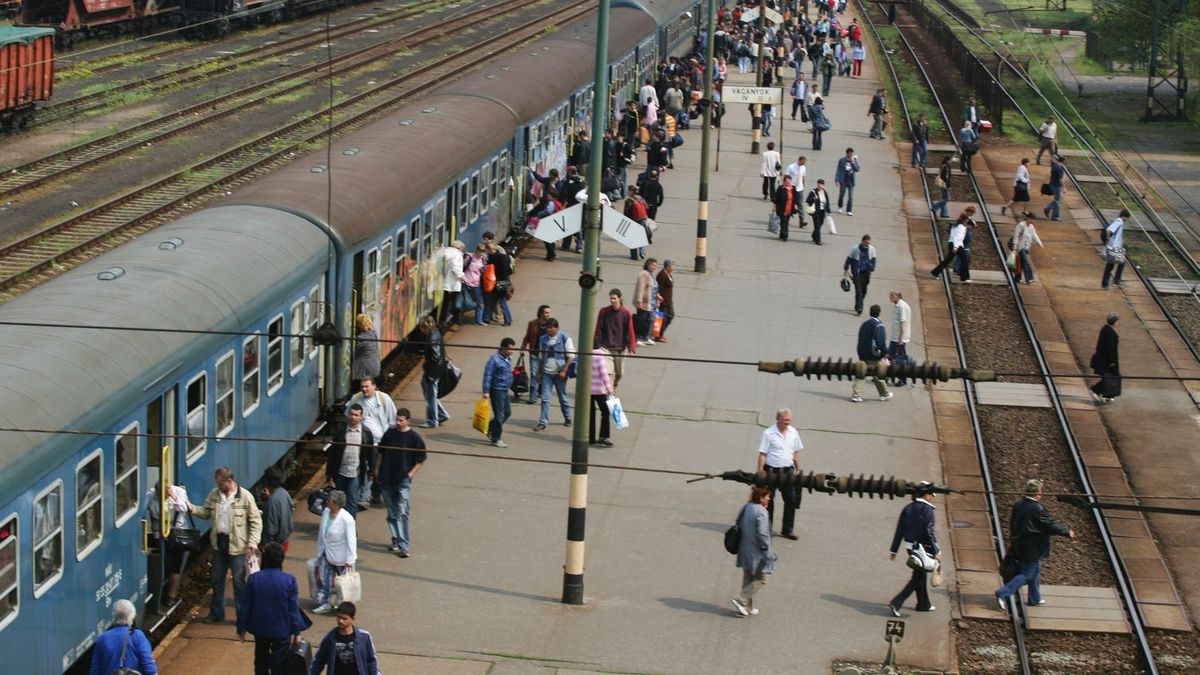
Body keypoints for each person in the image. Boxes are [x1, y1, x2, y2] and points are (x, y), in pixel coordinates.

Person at [191, 467, 262, 624]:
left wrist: (253, 542)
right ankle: (216, 614)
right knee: (217, 579)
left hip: (238, 544)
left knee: (238, 582)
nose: (218, 487)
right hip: (219, 543)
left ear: (229, 481)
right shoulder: (214, 495)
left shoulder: (244, 496)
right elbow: (206, 512)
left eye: (221, 483)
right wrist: (192, 509)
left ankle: (243, 617)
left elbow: (256, 521)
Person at [995, 479, 1076, 611]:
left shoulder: (1019, 504)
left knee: (1035, 571)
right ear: (1038, 493)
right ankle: (1003, 592)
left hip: (1020, 544)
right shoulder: (1037, 508)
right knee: (1027, 574)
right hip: (1032, 547)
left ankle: (1035, 598)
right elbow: (1049, 525)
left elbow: (1013, 524)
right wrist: (1067, 532)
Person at [238, 542, 312, 675]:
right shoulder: (290, 580)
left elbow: (245, 606)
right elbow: (293, 609)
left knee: (260, 660)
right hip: (282, 630)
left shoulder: (254, 579)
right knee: (279, 663)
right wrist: (297, 632)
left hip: (260, 629)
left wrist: (240, 628)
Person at [376, 408, 427, 557]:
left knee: (402, 512)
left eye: (401, 420)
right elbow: (381, 452)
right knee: (392, 512)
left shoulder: (414, 438)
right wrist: (377, 469)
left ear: (408, 421)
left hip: (403, 479)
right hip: (386, 477)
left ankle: (404, 546)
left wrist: (411, 473)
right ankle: (396, 539)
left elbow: (421, 459)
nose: (398, 423)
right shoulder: (390, 433)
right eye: (396, 420)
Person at [887, 482, 939, 616]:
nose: (932, 497)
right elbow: (929, 532)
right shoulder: (927, 510)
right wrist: (936, 551)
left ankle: (923, 604)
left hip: (910, 547)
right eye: (931, 495)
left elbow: (899, 530)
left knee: (920, 573)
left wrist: (894, 550)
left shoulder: (908, 508)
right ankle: (896, 602)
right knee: (917, 578)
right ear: (927, 496)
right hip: (923, 547)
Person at [346, 376, 396, 507]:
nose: (364, 389)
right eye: (362, 387)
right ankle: (365, 497)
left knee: (376, 470)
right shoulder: (356, 399)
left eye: (367, 386)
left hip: (380, 442)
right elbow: (348, 414)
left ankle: (373, 495)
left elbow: (392, 420)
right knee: (368, 468)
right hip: (363, 441)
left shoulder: (385, 399)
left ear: (374, 386)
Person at [756, 408, 803, 540]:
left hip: (788, 470)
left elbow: (795, 453)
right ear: (778, 420)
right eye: (785, 421)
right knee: (768, 500)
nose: (787, 423)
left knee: (791, 500)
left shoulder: (793, 432)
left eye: (789, 420)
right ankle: (767, 529)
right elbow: (762, 454)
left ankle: (788, 529)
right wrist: (760, 471)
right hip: (771, 470)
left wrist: (798, 469)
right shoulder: (768, 433)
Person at [730, 485, 777, 617]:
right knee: (762, 579)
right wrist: (766, 549)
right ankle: (740, 598)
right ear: (761, 498)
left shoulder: (746, 507)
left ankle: (747, 607)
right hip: (757, 551)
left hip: (744, 547)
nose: (769, 499)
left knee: (748, 576)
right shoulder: (762, 511)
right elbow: (762, 533)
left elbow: (737, 522)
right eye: (767, 496)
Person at [312, 490, 356, 615]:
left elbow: (351, 541)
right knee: (324, 578)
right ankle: (325, 602)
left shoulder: (347, 520)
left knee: (343, 584)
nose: (327, 502)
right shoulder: (326, 512)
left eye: (330, 501)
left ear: (336, 504)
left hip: (341, 557)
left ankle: (343, 605)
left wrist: (350, 559)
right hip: (326, 552)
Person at [147, 483, 191, 607]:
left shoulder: (179, 492)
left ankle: (171, 595)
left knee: (175, 565)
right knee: (164, 563)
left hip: (177, 534)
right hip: (160, 534)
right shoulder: (151, 495)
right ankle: (160, 590)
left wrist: (173, 497)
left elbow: (184, 508)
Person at [327, 405, 373, 519]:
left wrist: (371, 471)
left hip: (355, 474)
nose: (353, 417)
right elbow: (333, 453)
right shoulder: (340, 431)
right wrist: (329, 472)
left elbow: (370, 454)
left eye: (356, 415)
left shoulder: (366, 433)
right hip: (341, 472)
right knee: (338, 501)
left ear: (361, 417)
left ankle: (351, 527)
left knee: (352, 501)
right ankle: (337, 525)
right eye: (351, 414)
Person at [89, 599, 158, 675]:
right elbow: (149, 668)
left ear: (114, 616)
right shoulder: (137, 635)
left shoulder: (102, 638)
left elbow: (95, 669)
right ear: (132, 617)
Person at [310, 602, 379, 675]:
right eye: (339, 617)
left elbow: (372, 661)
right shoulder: (330, 638)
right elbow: (318, 661)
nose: (340, 621)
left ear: (352, 619)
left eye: (345, 618)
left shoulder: (364, 637)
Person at [535, 318, 575, 430]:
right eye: (547, 328)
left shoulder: (565, 338)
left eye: (551, 328)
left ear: (557, 328)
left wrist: (564, 370)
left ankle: (567, 417)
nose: (549, 330)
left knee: (562, 398)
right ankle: (543, 422)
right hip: (547, 373)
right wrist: (539, 373)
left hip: (560, 373)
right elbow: (541, 357)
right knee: (545, 399)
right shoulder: (543, 339)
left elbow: (571, 356)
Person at [595, 289, 637, 389]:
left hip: (620, 349)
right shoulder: (604, 311)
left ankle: (614, 383)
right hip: (606, 347)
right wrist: (596, 345)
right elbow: (598, 328)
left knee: (619, 373)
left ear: (620, 298)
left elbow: (630, 330)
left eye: (614, 298)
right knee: (608, 373)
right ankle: (610, 391)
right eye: (611, 298)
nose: (612, 300)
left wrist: (632, 346)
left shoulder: (626, 313)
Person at [852, 304, 893, 403]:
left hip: (862, 352)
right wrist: (885, 352)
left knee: (861, 372)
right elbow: (880, 342)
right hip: (873, 354)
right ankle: (884, 394)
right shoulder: (879, 326)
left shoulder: (864, 324)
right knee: (878, 373)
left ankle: (856, 394)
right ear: (879, 313)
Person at [414, 315, 449, 428]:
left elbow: (434, 356)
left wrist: (427, 364)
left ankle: (432, 421)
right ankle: (442, 414)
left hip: (432, 371)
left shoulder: (431, 338)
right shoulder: (436, 333)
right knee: (427, 390)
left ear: (425, 326)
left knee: (431, 396)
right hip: (436, 369)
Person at [482, 337, 516, 448]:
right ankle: (496, 438)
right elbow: (488, 375)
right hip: (497, 390)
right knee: (499, 415)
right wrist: (486, 391)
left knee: (507, 412)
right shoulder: (494, 359)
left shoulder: (507, 358)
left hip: (505, 389)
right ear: (503, 348)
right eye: (510, 349)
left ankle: (490, 427)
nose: (512, 351)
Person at [931, 207, 976, 281]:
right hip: (957, 245)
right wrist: (955, 248)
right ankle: (965, 277)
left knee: (947, 260)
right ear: (965, 220)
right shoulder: (962, 227)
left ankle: (935, 272)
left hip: (952, 244)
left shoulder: (955, 225)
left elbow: (953, 236)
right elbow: (958, 238)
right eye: (967, 220)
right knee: (964, 260)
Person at [520, 305, 553, 405]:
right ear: (541, 313)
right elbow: (527, 336)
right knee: (534, 374)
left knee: (543, 374)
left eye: (549, 313)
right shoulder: (533, 323)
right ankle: (533, 397)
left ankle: (541, 391)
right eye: (546, 312)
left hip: (546, 354)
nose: (548, 314)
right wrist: (523, 347)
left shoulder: (552, 324)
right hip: (534, 352)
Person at [1090, 312, 1121, 403]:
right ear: (1115, 322)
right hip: (1108, 360)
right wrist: (1112, 361)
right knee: (1111, 377)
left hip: (1102, 358)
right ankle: (1098, 391)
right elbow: (1111, 349)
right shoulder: (1111, 333)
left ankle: (1106, 395)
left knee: (1109, 377)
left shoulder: (1104, 329)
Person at [843, 235, 877, 316]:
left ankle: (857, 303)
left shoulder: (872, 249)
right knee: (858, 290)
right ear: (862, 241)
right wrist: (846, 268)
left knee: (864, 290)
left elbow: (873, 260)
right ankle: (859, 308)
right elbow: (849, 259)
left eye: (868, 243)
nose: (867, 244)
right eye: (866, 242)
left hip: (866, 273)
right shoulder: (855, 249)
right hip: (856, 273)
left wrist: (872, 267)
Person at [260, 469, 293, 553]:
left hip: (273, 546)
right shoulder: (285, 493)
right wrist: (269, 498)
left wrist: (264, 544)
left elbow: (271, 529)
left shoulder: (272, 501)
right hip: (284, 541)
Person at [588, 346, 615, 447]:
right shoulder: (599, 354)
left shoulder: (584, 351)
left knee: (590, 414)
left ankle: (590, 437)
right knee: (605, 412)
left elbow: (577, 370)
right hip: (599, 389)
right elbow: (603, 373)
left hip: (587, 390)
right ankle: (603, 437)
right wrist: (609, 388)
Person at [349, 314, 379, 397]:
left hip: (363, 367)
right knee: (371, 388)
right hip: (375, 365)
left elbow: (355, 352)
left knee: (358, 389)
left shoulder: (361, 338)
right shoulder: (373, 334)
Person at [485, 241, 513, 326]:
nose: (488, 251)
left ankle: (507, 320)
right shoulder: (504, 257)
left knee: (500, 301)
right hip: (503, 281)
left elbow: (494, 270)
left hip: (498, 281)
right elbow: (509, 270)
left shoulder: (495, 258)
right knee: (497, 300)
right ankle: (488, 317)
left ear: (492, 249)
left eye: (489, 249)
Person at [1010, 214, 1044, 284]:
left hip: (1026, 247)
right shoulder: (1021, 225)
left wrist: (1039, 243)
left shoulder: (1031, 226)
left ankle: (1017, 278)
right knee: (1026, 262)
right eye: (1031, 219)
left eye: (1033, 220)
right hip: (1020, 247)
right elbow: (1016, 236)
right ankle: (1029, 278)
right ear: (1027, 218)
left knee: (1021, 263)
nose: (1032, 221)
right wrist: (1014, 247)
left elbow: (1034, 234)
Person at [439, 240, 466, 327]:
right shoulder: (457, 255)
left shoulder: (447, 252)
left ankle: (444, 320)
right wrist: (462, 276)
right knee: (456, 302)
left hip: (445, 283)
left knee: (446, 303)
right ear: (460, 248)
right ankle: (454, 319)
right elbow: (456, 268)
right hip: (453, 284)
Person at [888, 290, 912, 384]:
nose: (890, 297)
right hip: (896, 337)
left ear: (898, 296)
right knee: (891, 357)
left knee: (898, 359)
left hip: (898, 338)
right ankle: (887, 375)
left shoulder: (902, 307)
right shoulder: (898, 305)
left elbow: (903, 323)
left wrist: (900, 339)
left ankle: (902, 379)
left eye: (892, 296)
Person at [633, 258, 659, 344]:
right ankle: (638, 338)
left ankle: (646, 337)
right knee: (642, 320)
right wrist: (639, 301)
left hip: (652, 302)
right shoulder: (643, 274)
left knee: (651, 319)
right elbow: (640, 288)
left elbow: (654, 287)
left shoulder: (651, 275)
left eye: (656, 265)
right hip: (644, 302)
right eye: (653, 265)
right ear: (648, 265)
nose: (655, 267)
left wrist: (658, 296)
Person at [1101, 209, 1129, 290]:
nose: (1126, 220)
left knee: (1114, 264)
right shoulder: (1119, 222)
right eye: (1127, 218)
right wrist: (1108, 239)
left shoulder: (1118, 222)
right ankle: (1114, 282)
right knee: (1117, 263)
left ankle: (1108, 283)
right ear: (1124, 216)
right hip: (1114, 248)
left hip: (1115, 248)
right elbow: (1109, 230)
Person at [834, 147, 860, 215]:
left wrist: (853, 162)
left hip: (851, 180)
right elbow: (838, 170)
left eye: (852, 153)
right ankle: (840, 206)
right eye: (850, 153)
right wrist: (837, 180)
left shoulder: (854, 160)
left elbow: (857, 169)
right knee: (842, 195)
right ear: (847, 153)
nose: (851, 155)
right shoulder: (842, 160)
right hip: (843, 180)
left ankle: (849, 210)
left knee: (851, 196)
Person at [655, 259, 675, 342]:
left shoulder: (668, 274)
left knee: (670, 315)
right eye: (672, 266)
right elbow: (658, 288)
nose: (673, 268)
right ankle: (658, 335)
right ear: (667, 267)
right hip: (663, 301)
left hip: (668, 300)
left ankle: (660, 333)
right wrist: (658, 298)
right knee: (661, 318)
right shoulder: (662, 275)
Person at [806, 178, 830, 245]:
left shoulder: (824, 192)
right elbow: (808, 200)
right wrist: (814, 199)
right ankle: (818, 240)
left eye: (821, 184)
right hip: (815, 211)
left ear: (823, 185)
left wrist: (828, 211)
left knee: (820, 224)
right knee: (817, 225)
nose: (820, 185)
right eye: (819, 184)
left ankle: (814, 235)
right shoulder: (813, 192)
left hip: (822, 212)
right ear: (817, 184)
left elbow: (827, 202)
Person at [773, 175, 797, 242]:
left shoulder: (793, 188)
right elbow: (776, 198)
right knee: (784, 222)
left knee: (786, 222)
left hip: (789, 209)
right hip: (781, 209)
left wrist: (795, 207)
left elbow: (795, 198)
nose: (788, 182)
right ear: (784, 181)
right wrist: (774, 207)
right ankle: (785, 236)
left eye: (789, 181)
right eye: (787, 181)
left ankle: (781, 235)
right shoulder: (780, 188)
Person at [930, 155, 953, 219]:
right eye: (950, 160)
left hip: (942, 183)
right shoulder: (946, 167)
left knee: (944, 198)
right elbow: (946, 177)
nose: (951, 162)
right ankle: (934, 207)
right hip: (944, 184)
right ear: (948, 160)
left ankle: (944, 213)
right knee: (947, 199)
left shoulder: (943, 165)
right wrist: (948, 186)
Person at [1043, 155, 1065, 221]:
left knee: (1057, 200)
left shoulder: (1054, 165)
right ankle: (1055, 216)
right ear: (1063, 161)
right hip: (1056, 186)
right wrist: (1064, 187)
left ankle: (1048, 209)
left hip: (1052, 184)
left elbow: (1052, 161)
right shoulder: (1060, 168)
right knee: (1057, 201)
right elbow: (1061, 179)